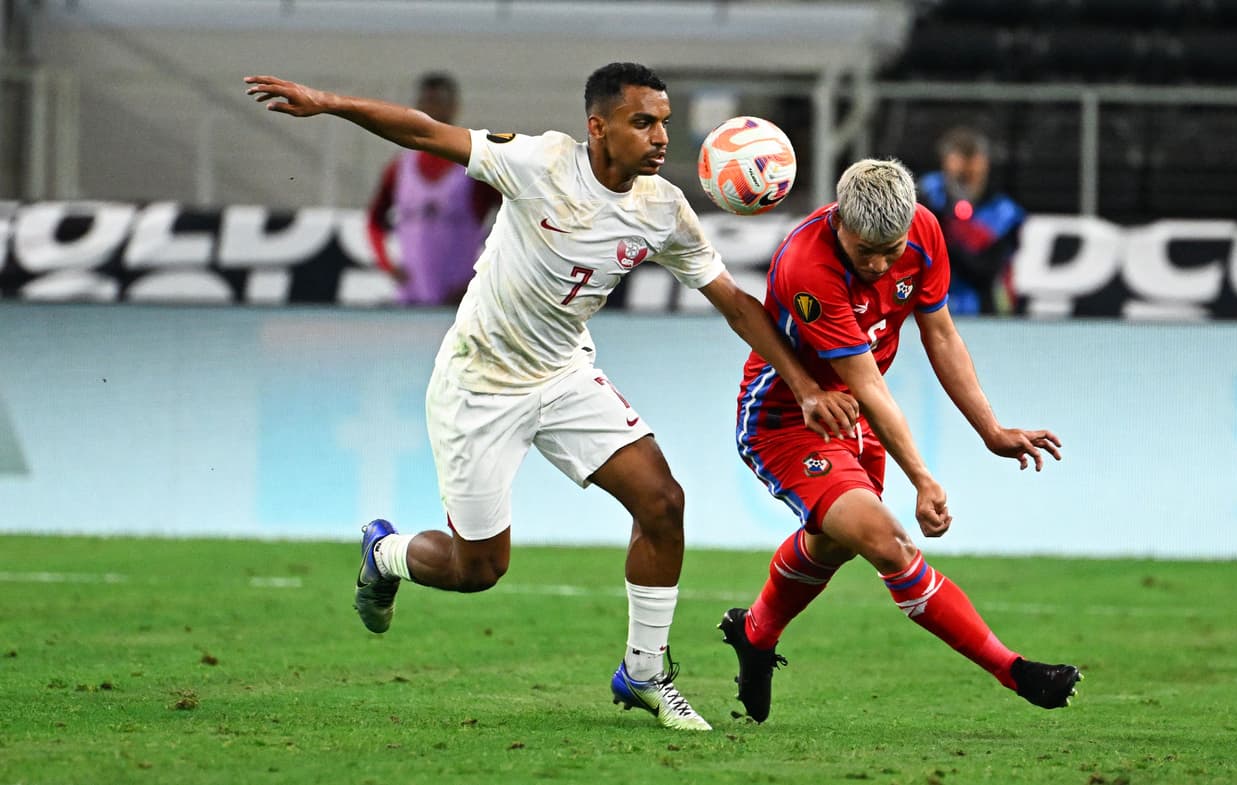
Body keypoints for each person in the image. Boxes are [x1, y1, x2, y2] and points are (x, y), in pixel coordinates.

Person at [244, 63, 858, 732]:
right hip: (479, 383)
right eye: (642, 122)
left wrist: (803, 385)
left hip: (563, 375)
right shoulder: (538, 163)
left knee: (662, 502)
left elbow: (735, 303)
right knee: (478, 568)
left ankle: (645, 672)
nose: (660, 137)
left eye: (664, 123)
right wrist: (328, 101)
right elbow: (424, 132)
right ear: (598, 127)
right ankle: (384, 554)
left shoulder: (663, 209)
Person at [719, 158, 1080, 723]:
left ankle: (756, 632)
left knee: (834, 543)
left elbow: (941, 333)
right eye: (866, 252)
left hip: (857, 414)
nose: (880, 265)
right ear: (840, 222)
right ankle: (1015, 671)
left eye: (891, 251)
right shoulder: (808, 265)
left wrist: (991, 429)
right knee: (889, 544)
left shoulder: (926, 231)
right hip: (787, 419)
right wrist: (922, 478)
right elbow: (866, 383)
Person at [366, 72, 501, 306]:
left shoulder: (474, 167)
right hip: (411, 301)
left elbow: (515, 216)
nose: (432, 110)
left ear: (454, 107)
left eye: (438, 102)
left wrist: (483, 273)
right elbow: (374, 221)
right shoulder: (400, 168)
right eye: (426, 102)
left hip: (461, 303)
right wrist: (388, 265)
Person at [917, 127, 1025, 316]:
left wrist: (943, 238)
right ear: (945, 163)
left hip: (982, 308)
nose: (965, 179)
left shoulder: (1004, 213)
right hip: (925, 304)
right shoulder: (926, 194)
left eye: (972, 173)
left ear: (985, 165)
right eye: (959, 174)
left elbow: (985, 272)